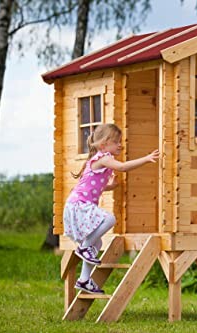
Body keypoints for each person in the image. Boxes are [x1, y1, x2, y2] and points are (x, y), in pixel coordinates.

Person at [63, 123, 159, 294]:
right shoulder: (103, 157)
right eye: (116, 142)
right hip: (79, 205)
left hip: (77, 204)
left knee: (96, 242)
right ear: (103, 145)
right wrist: (145, 158)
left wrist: (110, 186)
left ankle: (84, 280)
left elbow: (92, 186)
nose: (120, 144)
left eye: (120, 141)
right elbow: (122, 167)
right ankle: (84, 248)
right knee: (109, 219)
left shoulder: (99, 160)